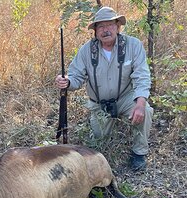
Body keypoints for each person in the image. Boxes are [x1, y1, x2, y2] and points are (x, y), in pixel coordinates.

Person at [56, 6, 153, 171]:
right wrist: (67, 81)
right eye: (100, 26)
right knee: (99, 141)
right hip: (99, 103)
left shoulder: (133, 45)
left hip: (125, 98)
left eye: (109, 24)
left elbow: (142, 76)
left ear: (117, 26)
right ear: (95, 31)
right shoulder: (87, 50)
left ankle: (139, 153)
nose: (105, 30)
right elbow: (76, 76)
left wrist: (141, 103)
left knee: (146, 111)